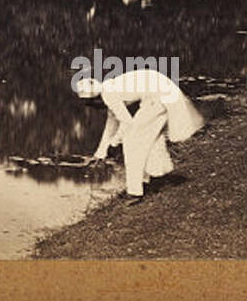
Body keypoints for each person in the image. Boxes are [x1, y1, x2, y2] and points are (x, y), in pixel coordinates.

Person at [77, 68, 205, 204]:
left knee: (132, 142)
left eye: (93, 104)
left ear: (95, 98)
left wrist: (114, 143)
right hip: (163, 92)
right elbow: (111, 125)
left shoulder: (108, 95)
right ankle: (158, 175)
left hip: (159, 96)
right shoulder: (109, 89)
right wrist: (100, 153)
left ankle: (135, 192)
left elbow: (126, 122)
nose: (96, 108)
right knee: (150, 137)